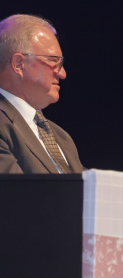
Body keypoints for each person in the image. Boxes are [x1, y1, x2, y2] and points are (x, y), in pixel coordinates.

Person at [0, 14, 83, 174]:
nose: (63, 73)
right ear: (19, 64)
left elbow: (87, 190)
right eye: (53, 60)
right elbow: (15, 194)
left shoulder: (61, 137)